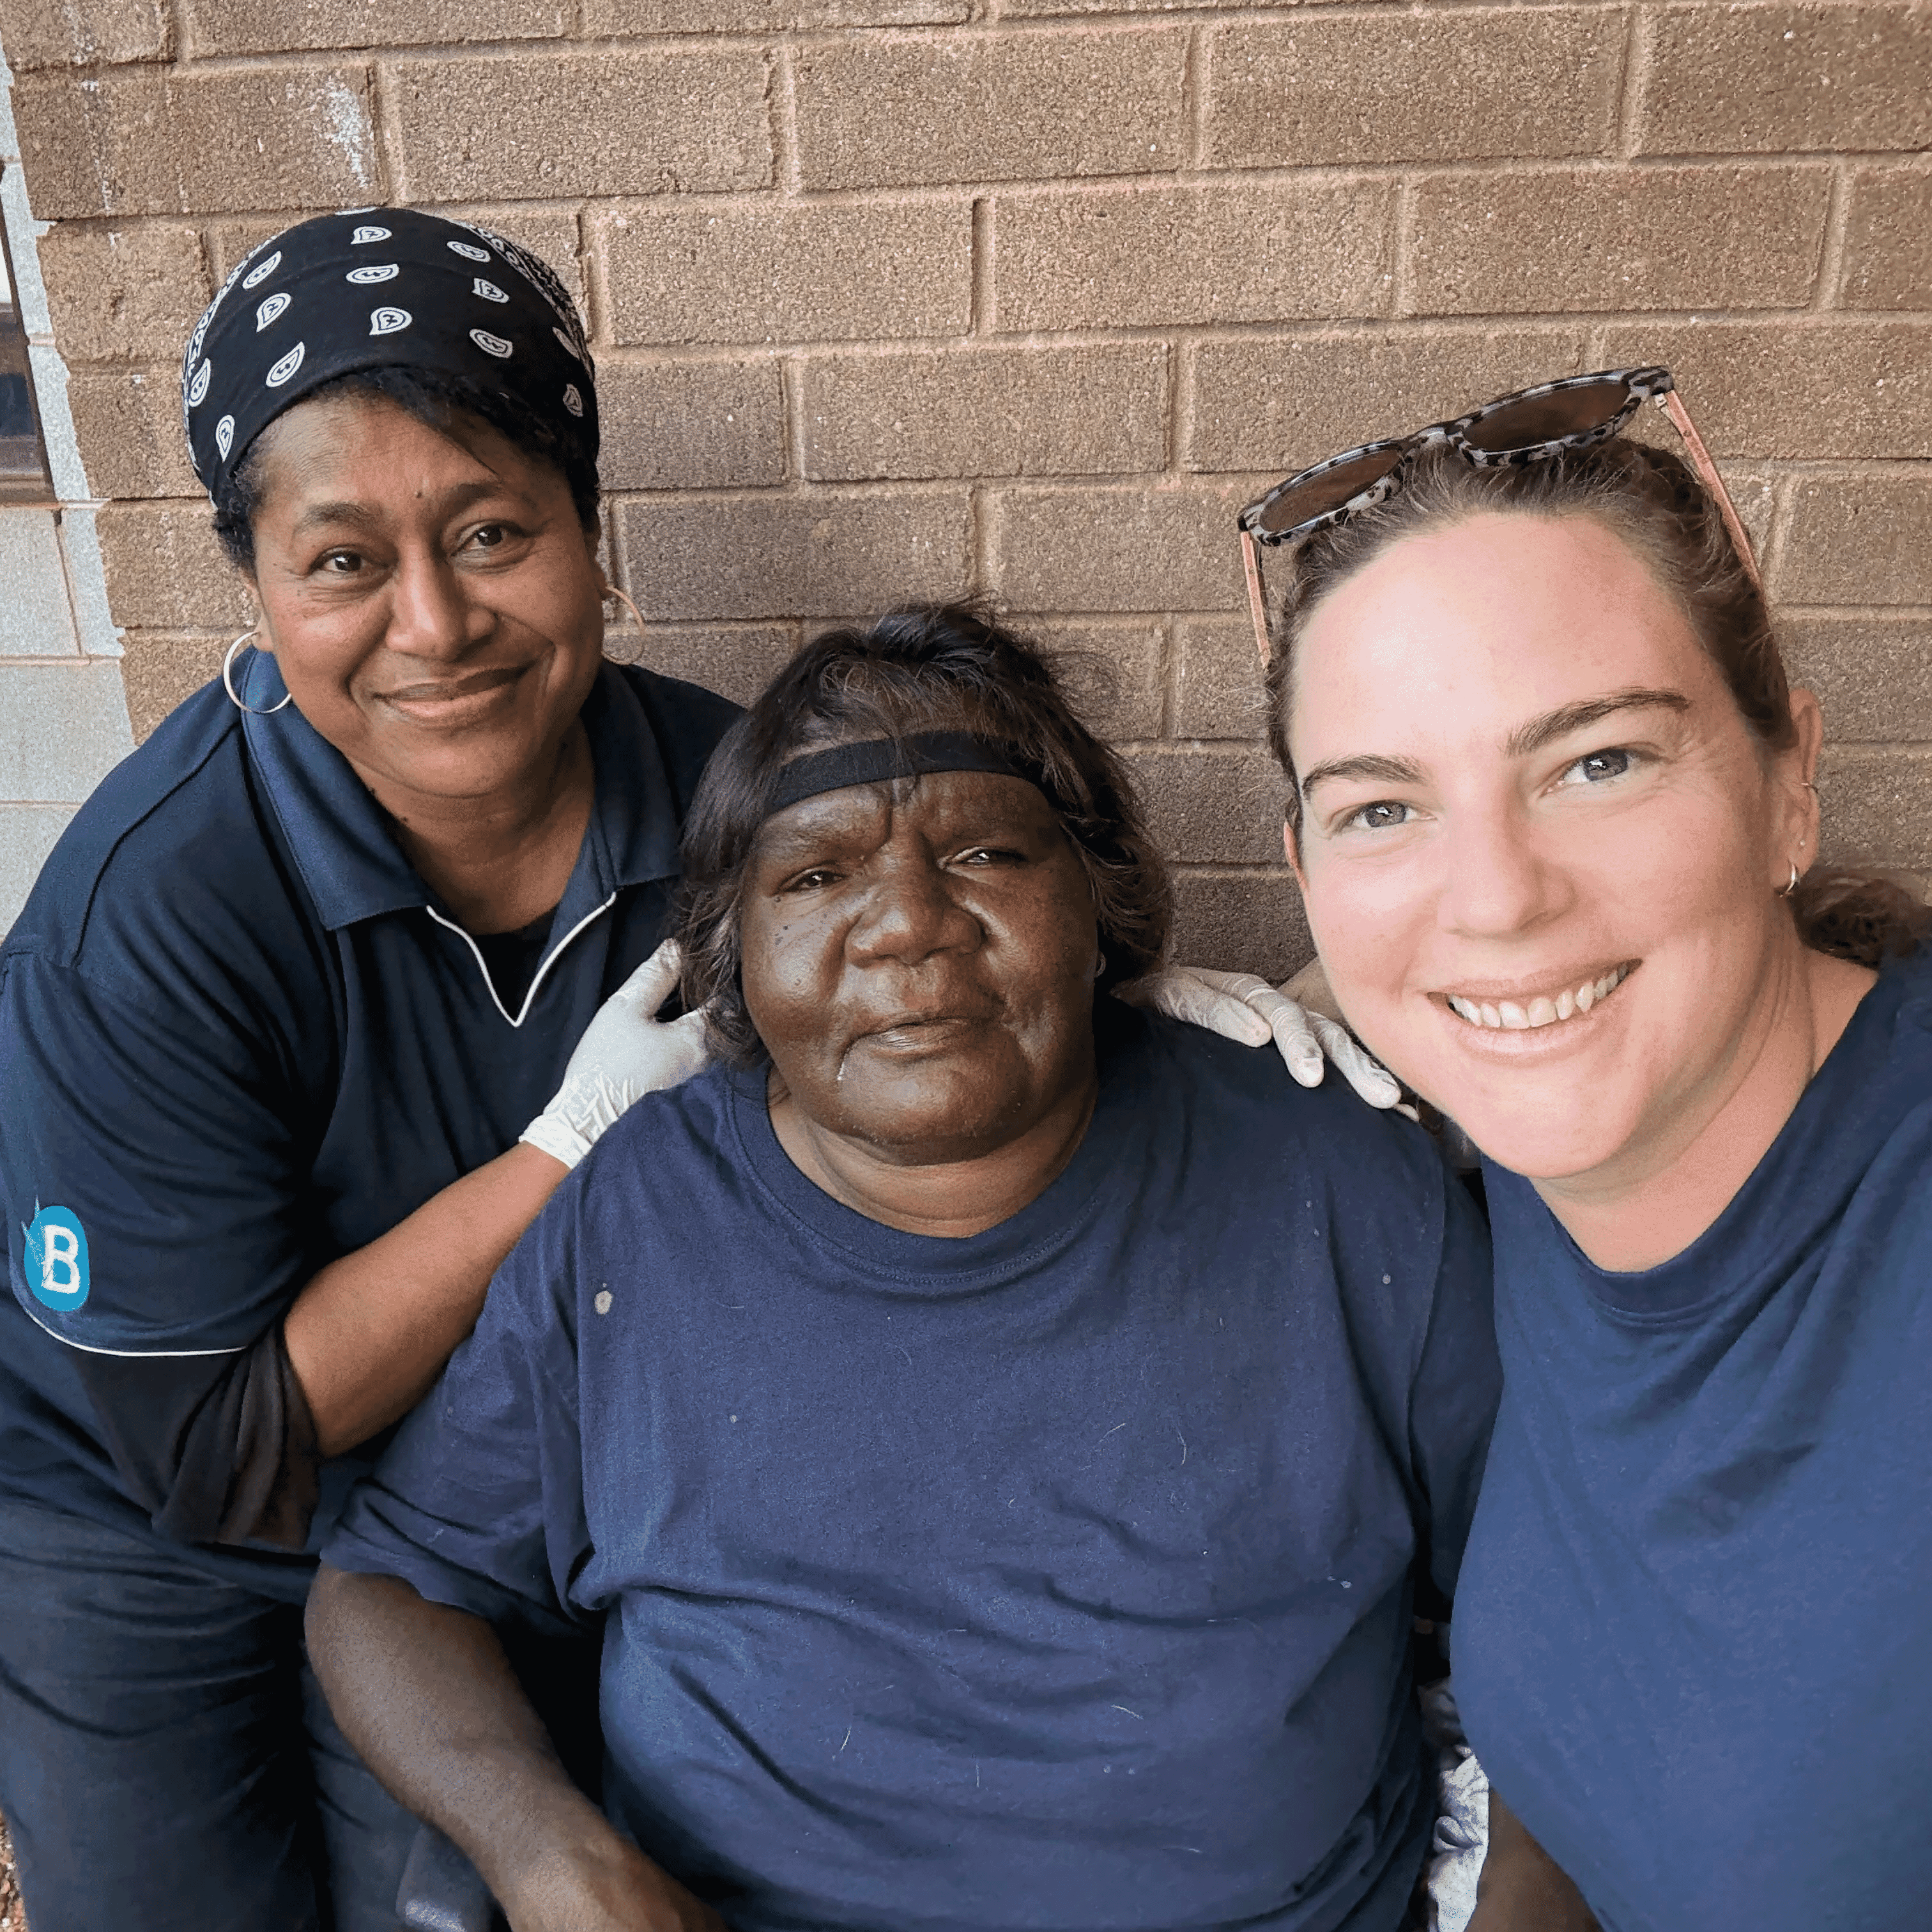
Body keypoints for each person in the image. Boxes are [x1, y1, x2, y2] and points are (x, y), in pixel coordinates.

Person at [307, 604, 1508, 1932]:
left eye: (986, 852)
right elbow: (394, 1588)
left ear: (1098, 904)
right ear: (731, 957)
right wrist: (549, 1858)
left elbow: (1576, 1623)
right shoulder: (639, 1219)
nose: (908, 928)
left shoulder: (1335, 1188)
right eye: (817, 876)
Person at [0, 207, 738, 1931]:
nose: (437, 623)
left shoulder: (733, 801)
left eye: (495, 532)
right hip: (125, 1520)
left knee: (452, 1902)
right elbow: (214, 1449)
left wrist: (1172, 1008)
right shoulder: (147, 914)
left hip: (472, 1502)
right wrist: (570, 1151)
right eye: (343, 560)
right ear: (252, 586)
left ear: (590, 532)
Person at [1225, 365, 1932, 1931]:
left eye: (1597, 762)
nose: (1496, 898)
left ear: (1789, 785)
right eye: (1382, 810)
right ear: (1306, 874)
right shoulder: (1550, 1170)